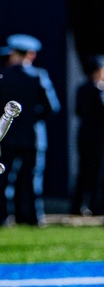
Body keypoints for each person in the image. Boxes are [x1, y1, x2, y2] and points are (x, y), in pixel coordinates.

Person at [0, 33, 60, 227]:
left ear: (13, 53)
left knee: (4, 177)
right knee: (32, 179)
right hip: (34, 136)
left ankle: (2, 217)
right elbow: (52, 107)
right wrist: (34, 119)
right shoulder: (38, 76)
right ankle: (33, 217)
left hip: (7, 135)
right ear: (31, 55)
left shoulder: (2, 76)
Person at [71, 56, 104, 216]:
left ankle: (78, 205)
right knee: (95, 173)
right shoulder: (98, 89)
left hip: (84, 135)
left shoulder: (81, 88)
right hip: (96, 137)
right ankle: (95, 206)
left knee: (84, 171)